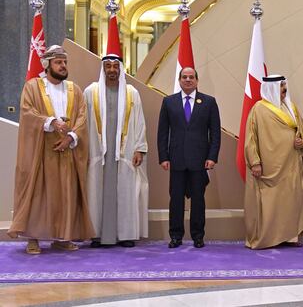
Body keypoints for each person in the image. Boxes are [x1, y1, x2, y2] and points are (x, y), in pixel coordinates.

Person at [8, 45, 94, 254]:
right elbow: (27, 113)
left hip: (66, 150)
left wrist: (71, 137)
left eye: (64, 62)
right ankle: (33, 238)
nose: (63, 66)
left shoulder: (75, 89)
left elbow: (83, 118)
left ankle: (63, 237)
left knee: (66, 194)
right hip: (41, 150)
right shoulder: (33, 87)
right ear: (47, 65)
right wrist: (51, 122)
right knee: (38, 194)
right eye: (58, 62)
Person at [84, 54, 148, 248]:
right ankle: (97, 235)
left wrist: (139, 149)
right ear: (103, 69)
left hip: (124, 153)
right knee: (97, 192)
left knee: (125, 191)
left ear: (120, 69)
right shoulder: (91, 92)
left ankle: (126, 234)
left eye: (115, 67)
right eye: (108, 67)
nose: (112, 70)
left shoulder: (131, 93)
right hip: (98, 153)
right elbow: (83, 122)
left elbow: (139, 122)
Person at [157, 67, 221, 249]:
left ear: (197, 81)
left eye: (191, 77)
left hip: (200, 161)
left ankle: (198, 236)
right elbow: (163, 132)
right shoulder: (169, 102)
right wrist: (163, 157)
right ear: (179, 80)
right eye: (184, 77)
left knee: (198, 201)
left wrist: (212, 157)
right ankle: (175, 236)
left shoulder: (209, 102)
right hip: (176, 160)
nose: (187, 80)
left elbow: (215, 133)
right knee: (176, 200)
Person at [244, 75, 303, 249]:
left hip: (291, 164)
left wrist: (300, 142)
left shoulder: (290, 107)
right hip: (269, 166)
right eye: (282, 89)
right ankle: (269, 237)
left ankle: (291, 236)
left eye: (285, 89)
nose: (284, 93)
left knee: (291, 201)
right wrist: (255, 162)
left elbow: (300, 130)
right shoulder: (258, 109)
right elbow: (251, 139)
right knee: (271, 203)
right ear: (272, 88)